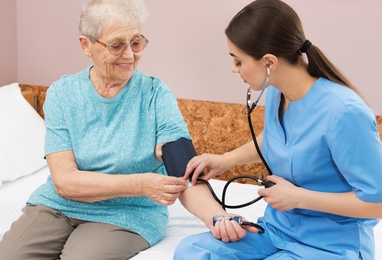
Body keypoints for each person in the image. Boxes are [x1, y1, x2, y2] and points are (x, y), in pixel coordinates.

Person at [0, 0, 242, 259]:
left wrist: (216, 216)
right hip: (59, 205)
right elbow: (65, 182)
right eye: (117, 45)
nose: (129, 55)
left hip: (129, 212)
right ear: (86, 45)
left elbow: (185, 172)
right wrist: (141, 183)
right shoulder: (63, 94)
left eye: (136, 43)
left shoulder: (155, 94)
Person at [174, 0, 382, 259]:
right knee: (191, 251)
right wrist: (225, 160)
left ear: (269, 62)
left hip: (331, 246)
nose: (233, 69)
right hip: (277, 231)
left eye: (238, 61)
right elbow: (277, 139)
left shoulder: (345, 113)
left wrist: (298, 198)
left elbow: (378, 203)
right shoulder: (276, 94)